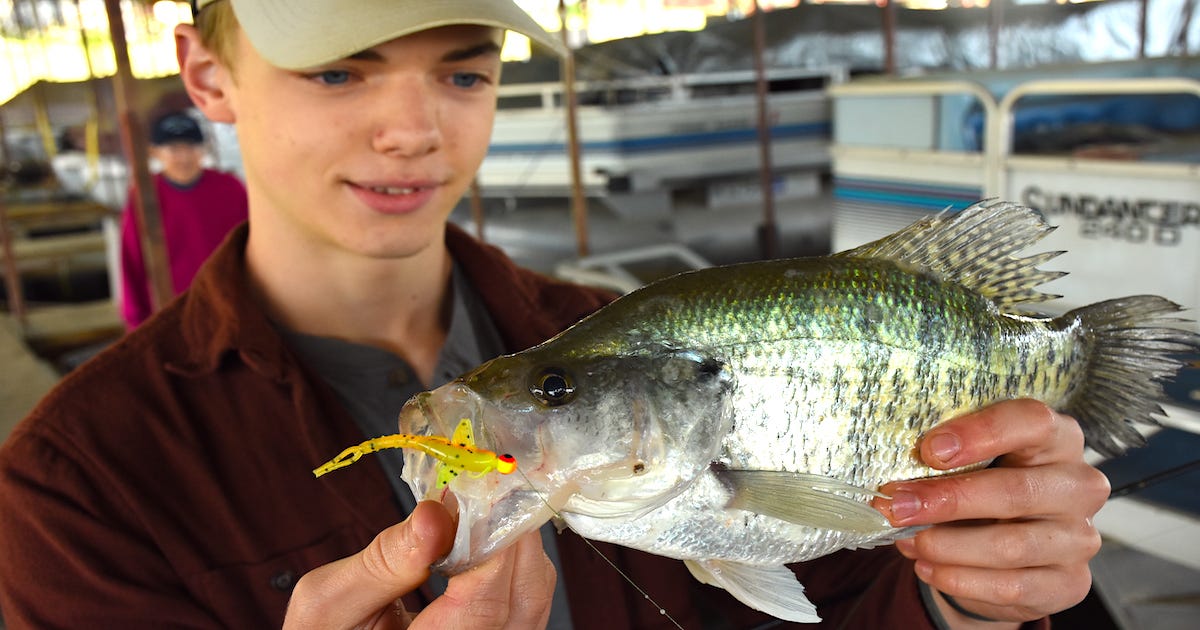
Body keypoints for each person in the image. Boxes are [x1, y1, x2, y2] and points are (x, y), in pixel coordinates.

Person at [0, 1, 1110, 628]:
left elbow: (851, 599)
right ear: (205, 73)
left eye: (465, 72)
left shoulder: (615, 326)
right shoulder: (76, 488)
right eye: (341, 73)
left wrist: (976, 598)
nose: (411, 129)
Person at [118, 109, 248, 328]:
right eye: (173, 149)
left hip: (230, 308)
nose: (184, 156)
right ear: (155, 152)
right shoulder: (144, 196)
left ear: (204, 149)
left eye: (192, 147)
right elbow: (131, 261)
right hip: (170, 314)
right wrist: (136, 320)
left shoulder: (230, 188)